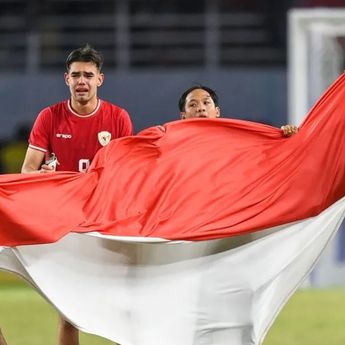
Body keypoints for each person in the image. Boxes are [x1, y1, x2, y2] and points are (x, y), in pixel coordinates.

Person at [21, 44, 134, 345]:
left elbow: (128, 173)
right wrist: (42, 178)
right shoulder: (50, 117)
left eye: (88, 74)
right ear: (66, 79)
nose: (81, 81)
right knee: (68, 311)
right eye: (75, 75)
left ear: (100, 79)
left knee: (123, 306)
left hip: (104, 221)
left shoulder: (118, 118)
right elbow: (27, 172)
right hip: (64, 223)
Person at [178, 85, 298, 136]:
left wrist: (285, 138)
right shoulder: (169, 145)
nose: (201, 108)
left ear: (217, 112)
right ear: (183, 116)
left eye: (206, 103)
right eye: (193, 105)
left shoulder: (235, 140)